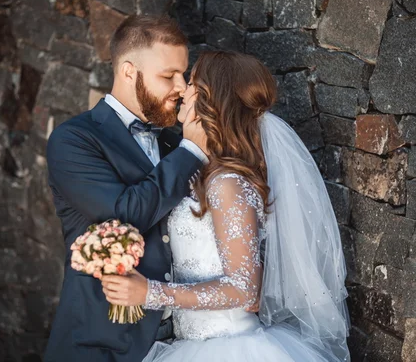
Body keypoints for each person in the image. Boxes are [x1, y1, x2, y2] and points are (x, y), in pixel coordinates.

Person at [100, 51, 351, 362]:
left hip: (230, 347)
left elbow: (245, 289)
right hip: (191, 344)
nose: (182, 91)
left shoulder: (226, 184)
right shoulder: (201, 171)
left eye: (191, 83)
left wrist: (150, 293)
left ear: (211, 98)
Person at [43, 15, 210, 362]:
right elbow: (123, 214)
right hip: (104, 341)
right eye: (168, 76)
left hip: (184, 339)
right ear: (128, 72)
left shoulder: (173, 141)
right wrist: (191, 152)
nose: (181, 87)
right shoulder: (74, 139)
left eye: (183, 74)